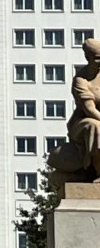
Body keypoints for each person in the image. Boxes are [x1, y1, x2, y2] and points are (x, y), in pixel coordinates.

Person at [48, 38, 100, 181]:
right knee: (95, 126)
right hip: (84, 122)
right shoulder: (81, 79)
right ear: (87, 57)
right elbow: (89, 109)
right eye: (97, 58)